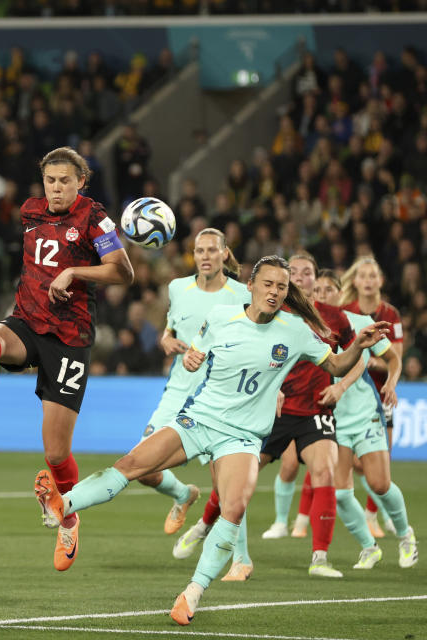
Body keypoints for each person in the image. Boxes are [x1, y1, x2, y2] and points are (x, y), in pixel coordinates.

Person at [32, 255, 388, 626]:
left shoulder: (295, 330)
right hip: (199, 419)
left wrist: (359, 346)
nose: (274, 292)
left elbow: (335, 366)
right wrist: (191, 360)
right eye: (268, 284)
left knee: (233, 508)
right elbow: (198, 353)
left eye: (281, 287)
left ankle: (192, 594)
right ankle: (61, 505)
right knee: (131, 465)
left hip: (243, 436)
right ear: (249, 286)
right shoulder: (222, 316)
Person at [0, 146, 134, 572]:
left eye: (64, 181)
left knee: (55, 454)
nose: (56, 188)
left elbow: (123, 272)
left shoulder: (95, 218)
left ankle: (68, 518)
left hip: (69, 340)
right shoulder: (30, 212)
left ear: (80, 183)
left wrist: (75, 272)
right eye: (50, 180)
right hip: (28, 323)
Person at [181, 254, 355, 580]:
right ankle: (206, 524)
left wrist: (342, 386)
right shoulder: (266, 307)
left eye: (307, 272)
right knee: (232, 482)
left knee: (324, 470)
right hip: (267, 412)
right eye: (295, 272)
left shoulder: (330, 317)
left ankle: (319, 557)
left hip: (315, 409)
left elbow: (352, 355)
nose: (300, 277)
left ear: (312, 279)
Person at [140, 228, 248, 536]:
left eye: (212, 250)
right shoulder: (177, 287)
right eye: (200, 251)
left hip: (220, 397)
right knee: (145, 467)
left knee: (225, 487)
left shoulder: (241, 295)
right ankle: (183, 495)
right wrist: (166, 340)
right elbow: (171, 329)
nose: (205, 257)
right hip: (178, 391)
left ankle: (239, 559)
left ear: (224, 253)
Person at [313, 270, 417, 569]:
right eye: (316, 290)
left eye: (328, 289)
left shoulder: (358, 322)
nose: (321, 295)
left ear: (339, 292)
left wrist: (392, 382)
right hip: (332, 420)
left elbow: (394, 358)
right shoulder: (306, 327)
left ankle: (406, 535)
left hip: (364, 415)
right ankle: (369, 547)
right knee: (341, 493)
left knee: (380, 484)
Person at [339, 255, 405, 538]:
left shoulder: (391, 314)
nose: (368, 280)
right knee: (355, 464)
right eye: (363, 276)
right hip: (352, 398)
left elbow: (396, 356)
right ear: (355, 281)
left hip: (382, 394)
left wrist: (372, 361)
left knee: (380, 463)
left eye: (372, 276)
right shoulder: (345, 312)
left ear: (380, 281)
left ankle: (373, 516)